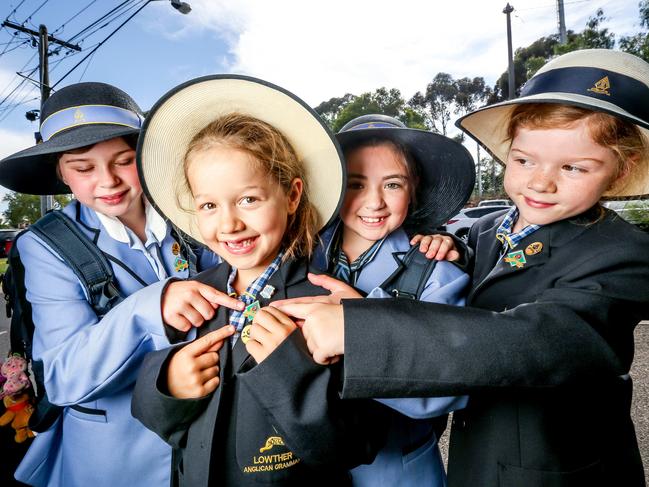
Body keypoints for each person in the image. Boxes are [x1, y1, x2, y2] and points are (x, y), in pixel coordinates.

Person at [274, 49, 649, 487]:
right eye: (525, 160)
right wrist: (450, 242)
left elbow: (539, 339)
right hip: (476, 462)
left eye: (573, 167)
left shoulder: (626, 254)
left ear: (623, 170)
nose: (541, 181)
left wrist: (359, 329)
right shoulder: (486, 230)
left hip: (561, 473)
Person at [131, 75, 386, 487]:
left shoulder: (327, 304)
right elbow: (166, 427)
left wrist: (291, 373)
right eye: (209, 205)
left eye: (248, 199)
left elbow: (359, 444)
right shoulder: (193, 296)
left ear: (291, 195)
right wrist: (168, 382)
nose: (229, 223)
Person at [0, 82, 240, 487]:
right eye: (83, 168)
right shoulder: (45, 245)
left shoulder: (196, 213)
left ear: (146, 159)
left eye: (123, 160)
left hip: (213, 437)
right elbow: (62, 377)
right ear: (61, 172)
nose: (107, 181)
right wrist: (151, 309)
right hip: (116, 456)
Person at [311, 114, 473, 487]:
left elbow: (444, 389)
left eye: (393, 184)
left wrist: (360, 323)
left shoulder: (438, 273)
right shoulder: (298, 256)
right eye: (355, 184)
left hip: (397, 468)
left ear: (414, 189)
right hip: (309, 466)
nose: (374, 202)